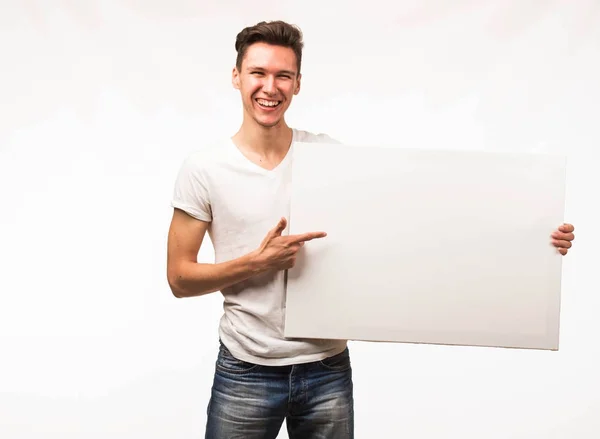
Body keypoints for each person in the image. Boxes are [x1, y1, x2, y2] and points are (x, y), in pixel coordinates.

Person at [166, 20, 576, 439]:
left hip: (325, 371)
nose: (270, 87)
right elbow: (179, 279)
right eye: (258, 73)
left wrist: (535, 237)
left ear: (297, 83)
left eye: (283, 75)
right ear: (237, 77)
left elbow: (424, 221)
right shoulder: (204, 169)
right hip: (246, 371)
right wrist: (258, 262)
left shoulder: (327, 158)